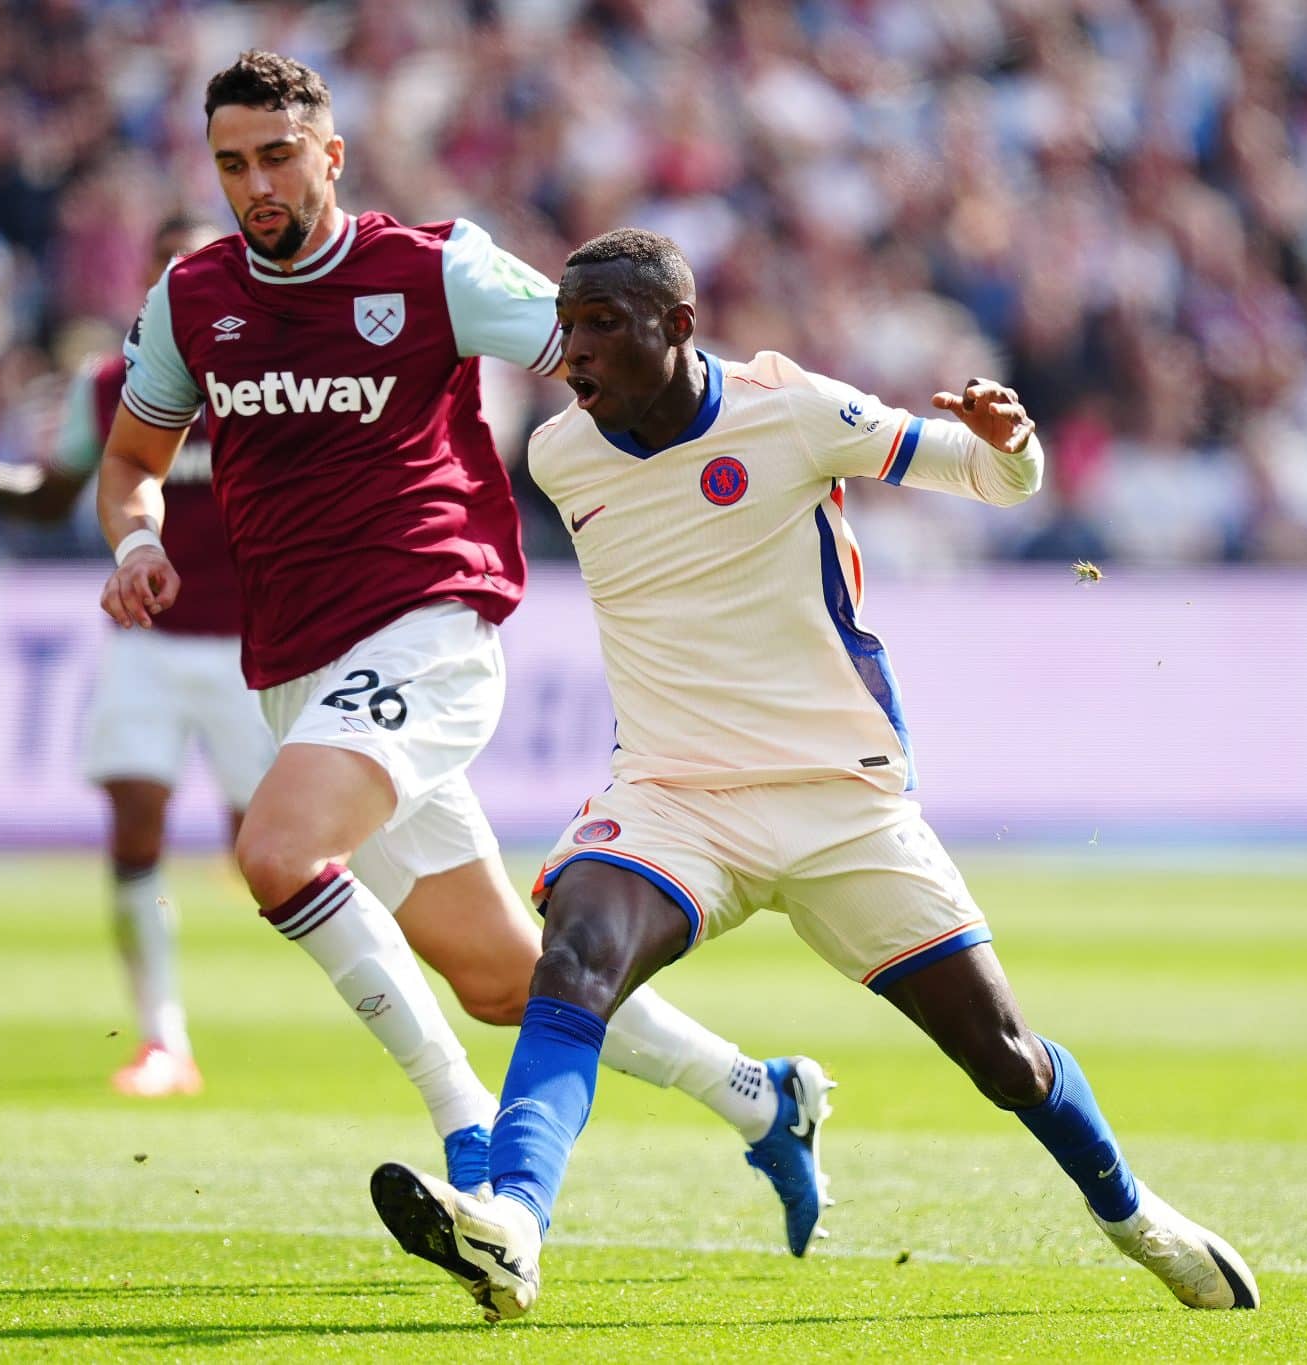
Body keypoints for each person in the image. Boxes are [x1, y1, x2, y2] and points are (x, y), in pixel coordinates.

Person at [368, 230, 1261, 1321]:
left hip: (838, 801)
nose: (576, 351)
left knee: (1003, 1060)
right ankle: (512, 1223)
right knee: (574, 960)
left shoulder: (789, 413)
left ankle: (1137, 1221)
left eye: (604, 325)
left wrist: (1012, 444)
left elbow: (986, 474)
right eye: (570, 326)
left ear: (678, 327)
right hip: (673, 797)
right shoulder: (563, 454)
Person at [96, 52, 831, 1245]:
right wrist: (135, 543)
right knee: (503, 981)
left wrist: (774, 436)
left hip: (427, 627)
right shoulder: (192, 299)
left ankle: (466, 1133)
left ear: (329, 154)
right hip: (295, 665)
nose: (256, 186)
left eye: (278, 157)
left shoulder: (433, 268)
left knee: (277, 850)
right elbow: (131, 463)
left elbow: (615, 353)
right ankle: (762, 1099)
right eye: (232, 164)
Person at [0, 216, 274, 1098]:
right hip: (145, 644)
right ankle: (163, 1039)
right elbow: (53, 497)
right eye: (167, 276)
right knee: (134, 827)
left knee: (271, 856)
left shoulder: (272, 382)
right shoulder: (111, 386)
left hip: (255, 649)